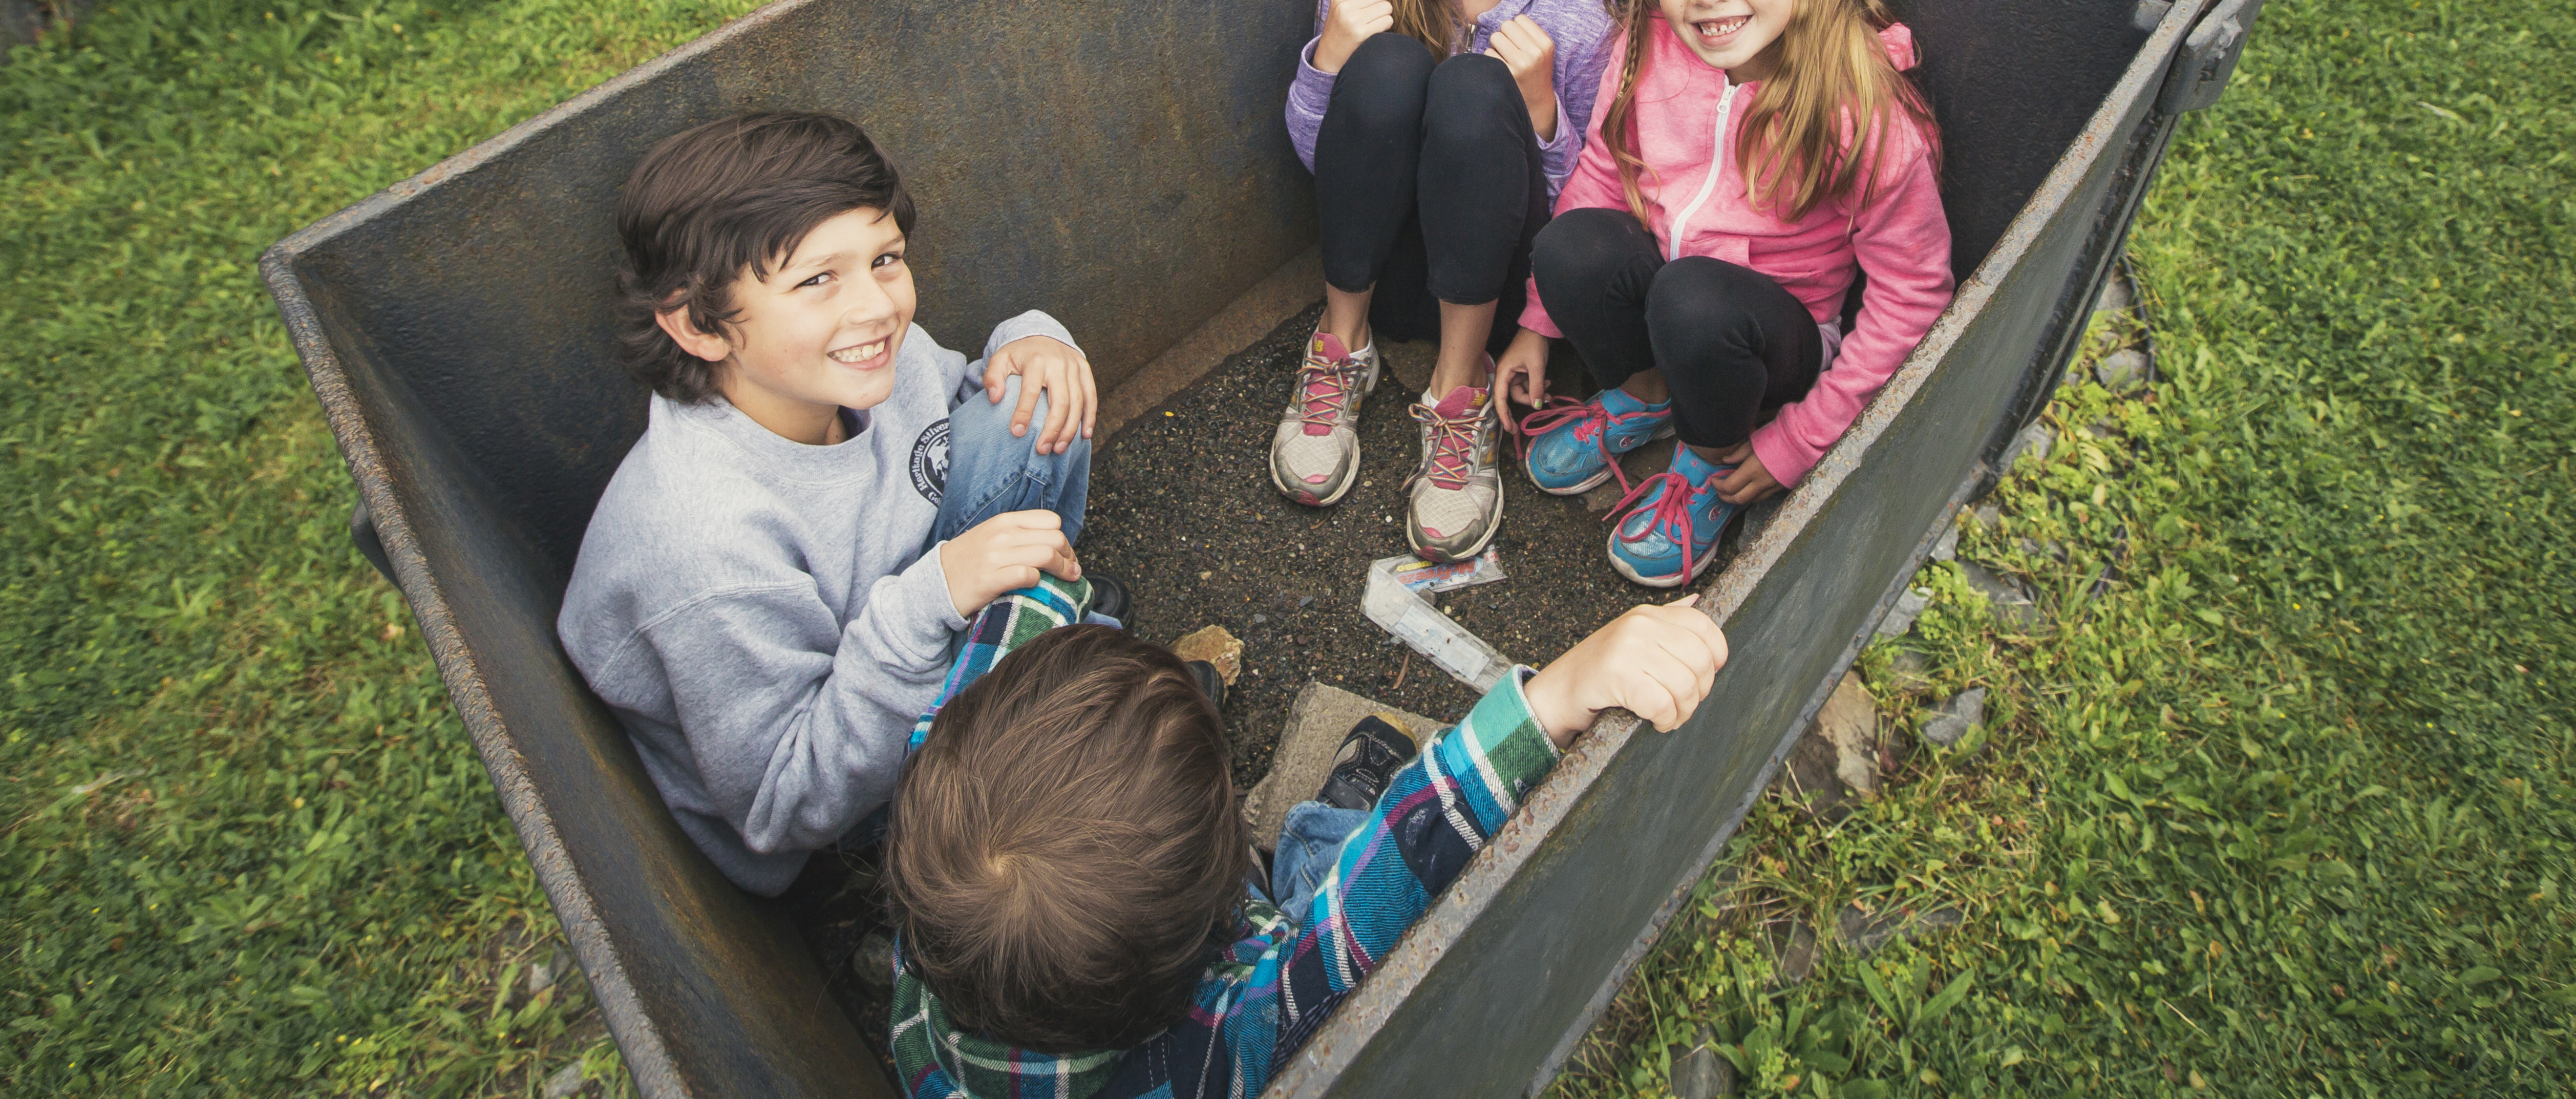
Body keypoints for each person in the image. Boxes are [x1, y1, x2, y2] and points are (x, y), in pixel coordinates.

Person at [884, 577, 1728, 1097]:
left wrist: (1030, 595)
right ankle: (1316, 837)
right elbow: (1352, 929)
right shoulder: (1216, 1047)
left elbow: (959, 716)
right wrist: (1552, 699)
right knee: (1338, 873)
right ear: (1212, 915)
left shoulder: (936, 869)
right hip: (1262, 939)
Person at [557, 111, 1101, 895]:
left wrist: (1035, 337)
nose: (877, 307)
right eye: (818, 280)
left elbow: (959, 389)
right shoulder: (707, 549)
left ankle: (1031, 613)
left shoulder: (856, 357)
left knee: (1036, 396)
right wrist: (929, 600)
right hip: (831, 794)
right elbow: (785, 805)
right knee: (1075, 806)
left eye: (886, 259)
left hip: (882, 618)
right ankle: (907, 874)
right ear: (700, 325)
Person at [1497, 0, 1953, 588]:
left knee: (1694, 301)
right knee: (1570, 247)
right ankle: (1646, 394)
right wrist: (1539, 322)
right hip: (1672, 303)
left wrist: (1798, 443)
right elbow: (1605, 174)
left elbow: (1913, 294)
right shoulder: (1648, 50)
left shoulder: (1861, 108)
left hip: (1771, 340)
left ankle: (1709, 458)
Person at [1275, 0, 1615, 559]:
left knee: (1472, 92)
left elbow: (1590, 198)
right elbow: (1326, 163)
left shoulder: (1582, 12)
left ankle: (1456, 393)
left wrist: (1540, 110)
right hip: (1388, 273)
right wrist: (1329, 57)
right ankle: (1340, 348)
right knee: (1388, 60)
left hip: (1495, 291)